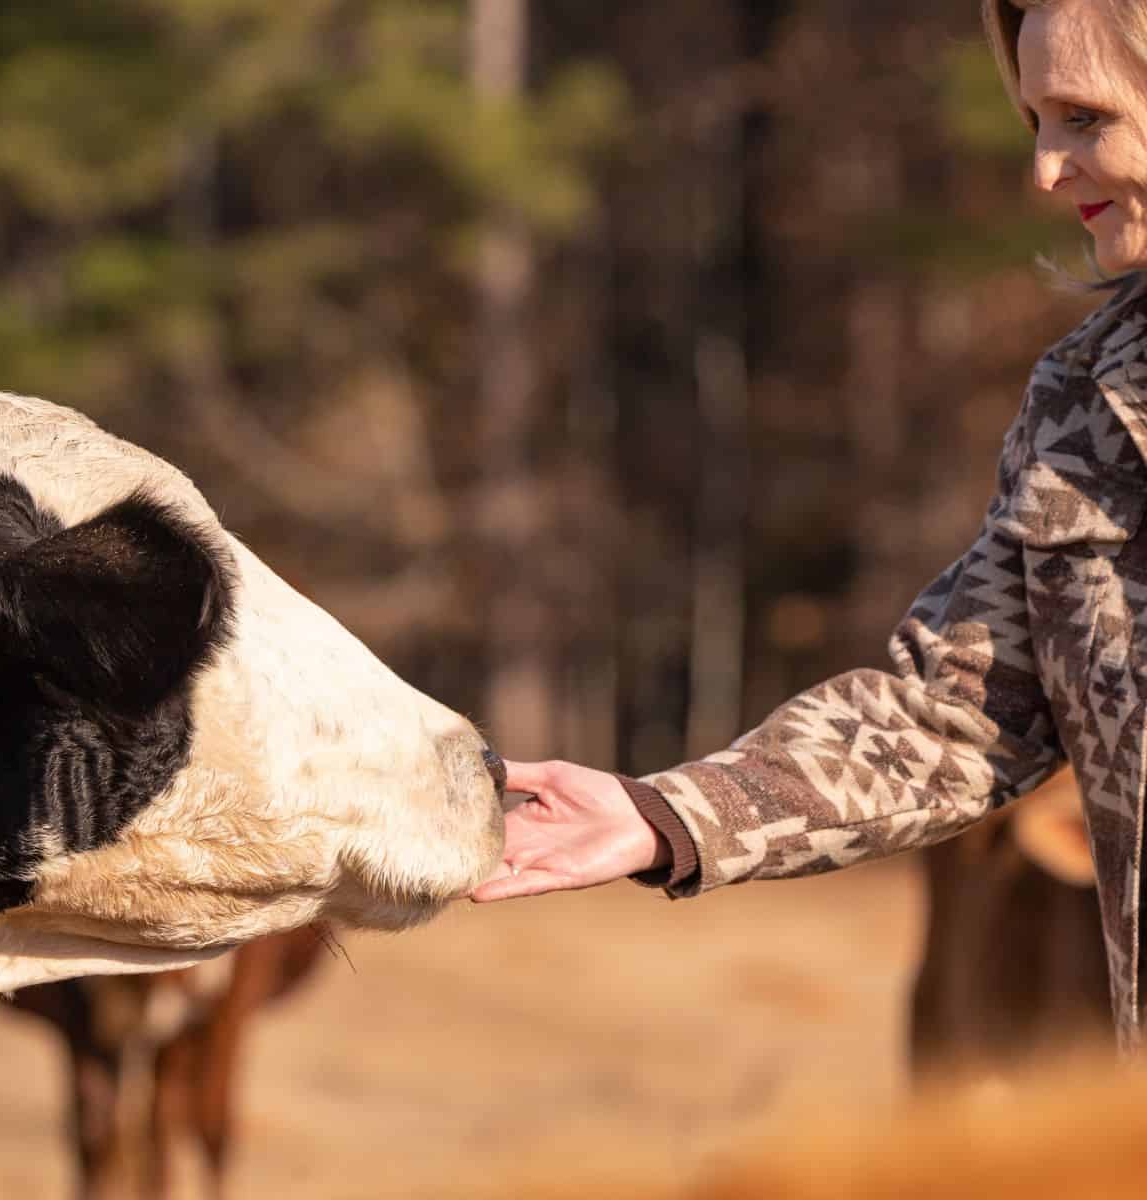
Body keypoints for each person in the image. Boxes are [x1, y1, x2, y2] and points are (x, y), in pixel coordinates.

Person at [472, 0, 1147, 1055]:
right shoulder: (1081, 406)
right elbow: (952, 714)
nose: (1047, 174)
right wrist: (665, 816)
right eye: (1034, 126)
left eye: (1085, 119)